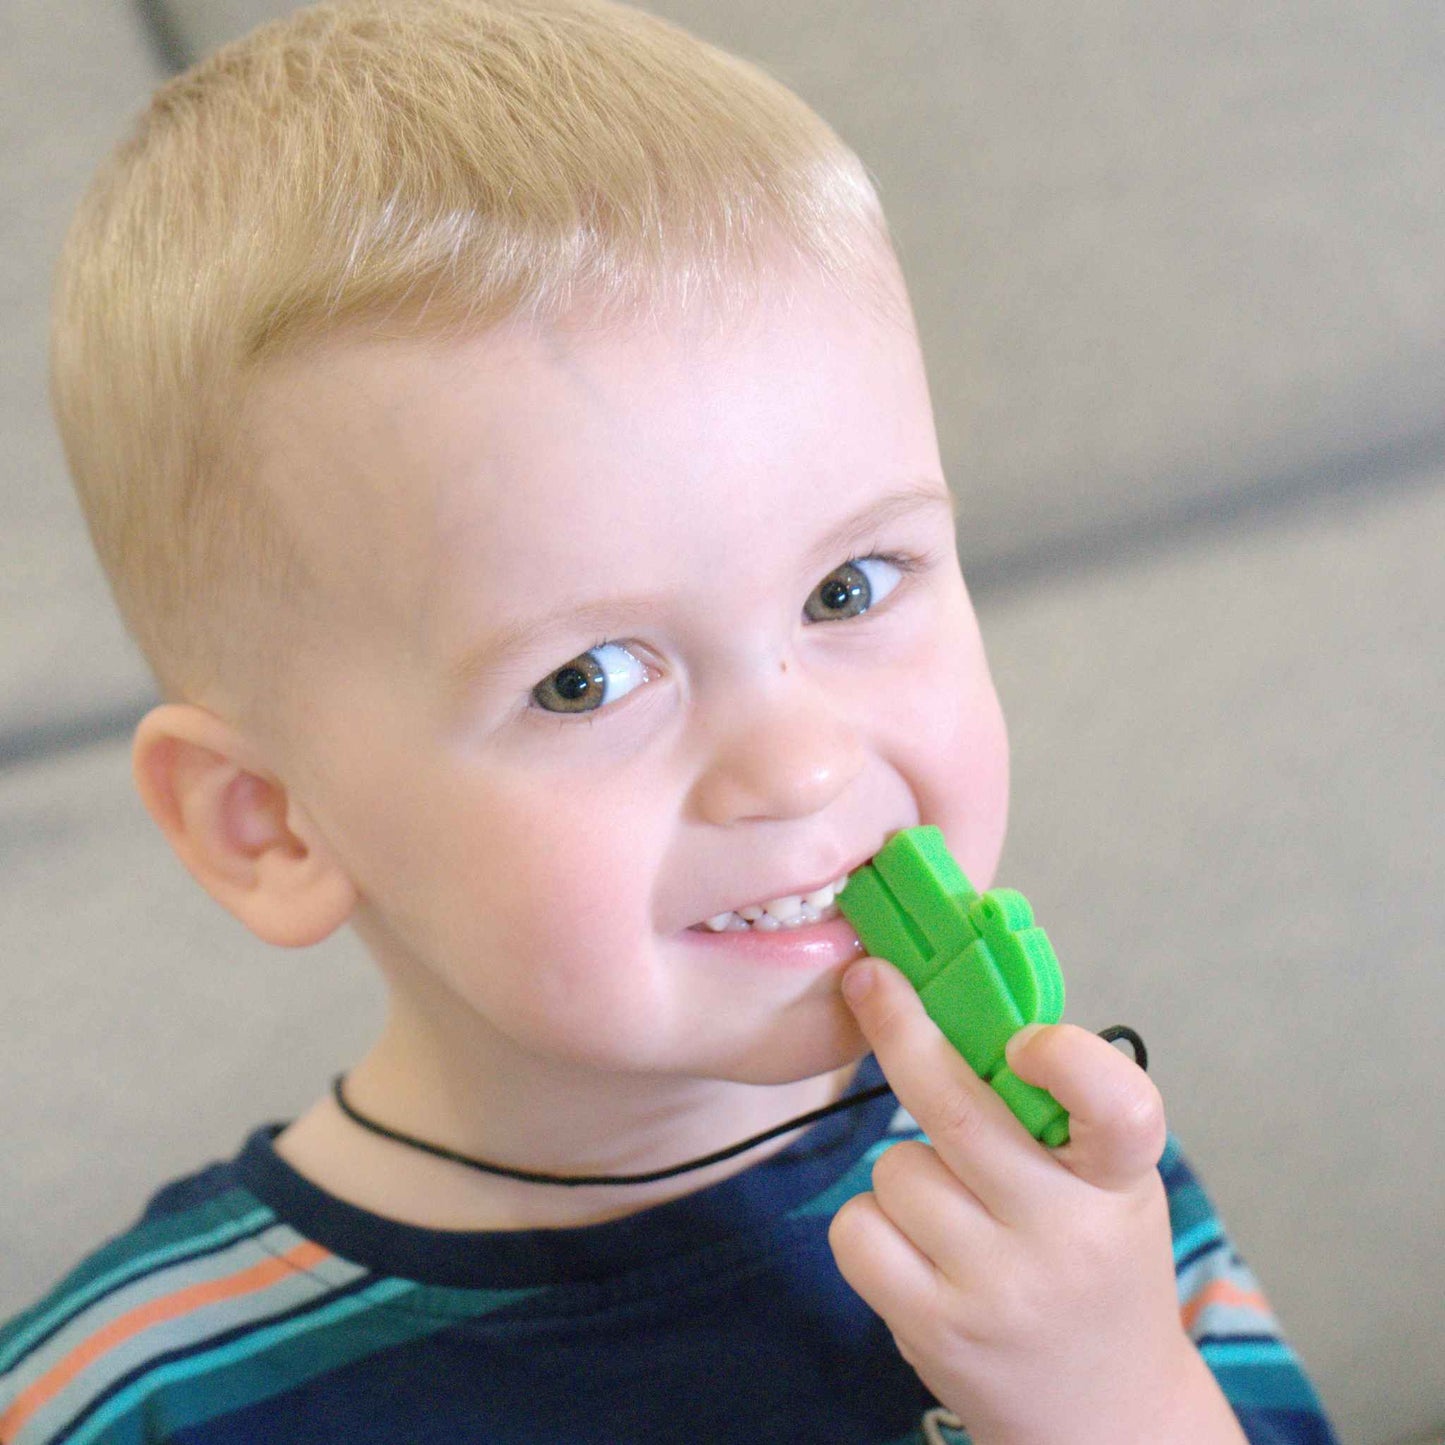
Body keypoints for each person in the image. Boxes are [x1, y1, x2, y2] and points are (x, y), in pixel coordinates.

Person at [0, 2, 1339, 1441]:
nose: (800, 760)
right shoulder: (127, 1400)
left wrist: (1114, 1394)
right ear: (267, 822)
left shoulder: (1047, 1180)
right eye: (583, 679)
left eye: (847, 584)